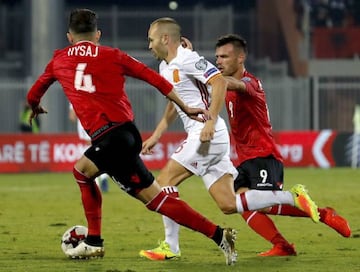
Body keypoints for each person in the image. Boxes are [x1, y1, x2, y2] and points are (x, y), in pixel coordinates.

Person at [26, 9, 238, 265]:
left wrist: (36, 106)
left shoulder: (58, 60)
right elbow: (155, 80)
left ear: (69, 37)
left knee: (81, 172)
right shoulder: (113, 55)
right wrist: (186, 106)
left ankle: (93, 242)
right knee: (156, 199)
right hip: (127, 136)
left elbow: (33, 93)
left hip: (109, 138)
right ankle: (220, 235)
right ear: (98, 35)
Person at [138, 17, 320, 261]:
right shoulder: (165, 67)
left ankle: (172, 247)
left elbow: (219, 82)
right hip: (207, 135)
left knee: (163, 182)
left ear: (165, 38)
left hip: (206, 133)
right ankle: (275, 209)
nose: (148, 46)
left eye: (150, 40)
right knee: (228, 203)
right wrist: (158, 134)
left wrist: (211, 120)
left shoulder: (188, 59)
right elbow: (175, 102)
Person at [213, 33, 351, 256]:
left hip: (263, 156)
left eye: (224, 56)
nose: (218, 61)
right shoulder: (225, 85)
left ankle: (323, 214)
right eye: (217, 56)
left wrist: (214, 79)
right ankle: (282, 245)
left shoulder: (250, 83)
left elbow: (235, 84)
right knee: (239, 204)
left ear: (240, 58)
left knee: (261, 204)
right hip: (246, 159)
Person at [69, 103, 109, 192]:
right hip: (99, 121)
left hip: (86, 122)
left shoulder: (75, 91)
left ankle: (95, 181)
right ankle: (102, 178)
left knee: (91, 148)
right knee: (96, 148)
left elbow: (72, 116)